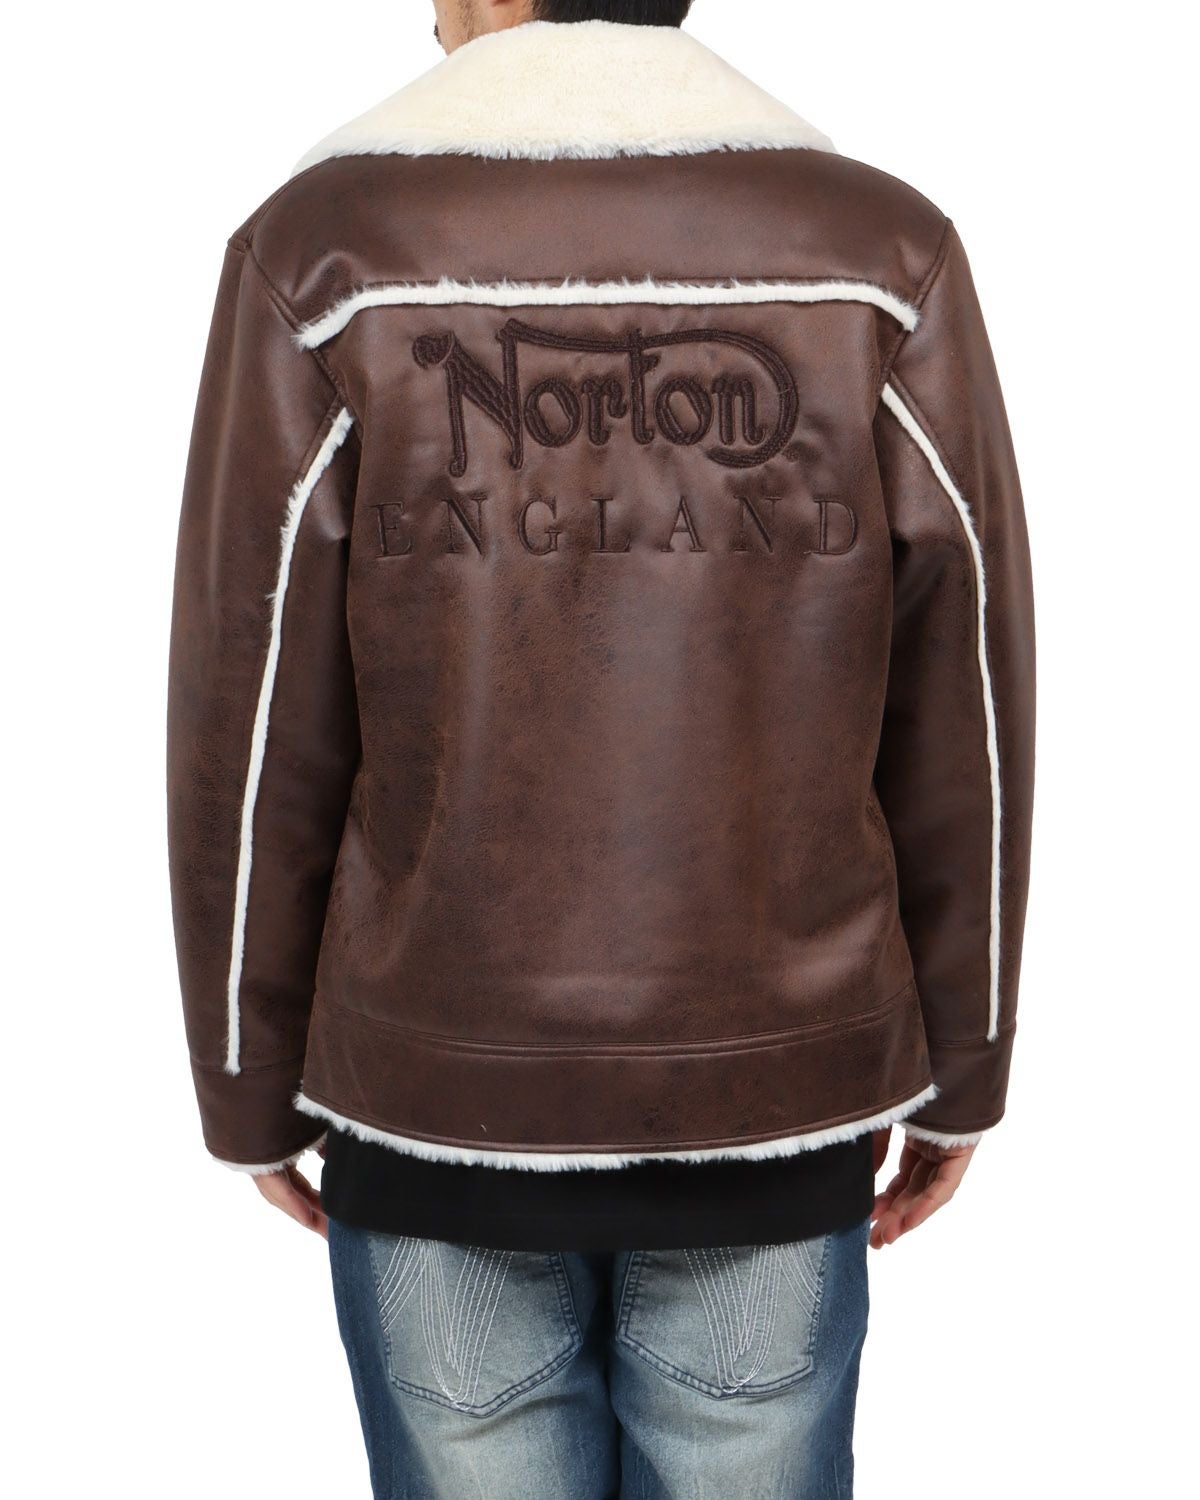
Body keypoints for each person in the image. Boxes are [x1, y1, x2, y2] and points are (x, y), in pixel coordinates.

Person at [166, 1, 1035, 1494]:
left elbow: (250, 709)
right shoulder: (877, 258)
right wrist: (965, 1066)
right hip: (779, 1108)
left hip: (432, 1108)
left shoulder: (325, 258)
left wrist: (246, 1080)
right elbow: (967, 698)